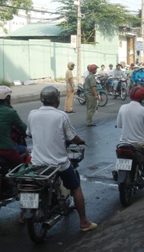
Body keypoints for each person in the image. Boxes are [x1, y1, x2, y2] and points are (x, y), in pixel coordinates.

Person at [27, 86, 97, 232]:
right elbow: (72, 137)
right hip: (59, 164)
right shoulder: (61, 116)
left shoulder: (32, 114)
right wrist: (80, 140)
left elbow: (29, 133)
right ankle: (84, 222)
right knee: (76, 188)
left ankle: (24, 214)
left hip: (37, 163)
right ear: (57, 100)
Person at [0, 86, 27, 168]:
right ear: (7, 98)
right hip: (6, 150)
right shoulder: (11, 112)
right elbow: (23, 128)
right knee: (20, 168)